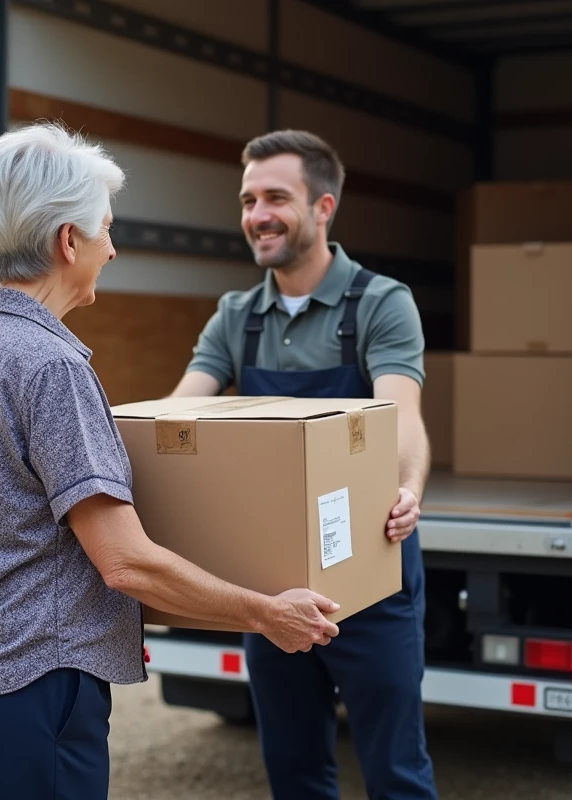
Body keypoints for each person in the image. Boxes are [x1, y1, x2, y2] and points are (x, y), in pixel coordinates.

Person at [0, 122, 341, 800]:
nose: (113, 249)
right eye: (106, 230)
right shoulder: (50, 366)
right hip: (31, 687)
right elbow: (125, 561)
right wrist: (266, 613)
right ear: (68, 241)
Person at [169, 129, 438, 800]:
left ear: (323, 208)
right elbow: (177, 417)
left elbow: (402, 414)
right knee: (293, 773)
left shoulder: (380, 303)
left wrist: (406, 486)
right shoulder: (237, 317)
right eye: (249, 199)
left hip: (371, 578)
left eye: (276, 198)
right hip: (275, 586)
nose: (258, 214)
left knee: (396, 773)